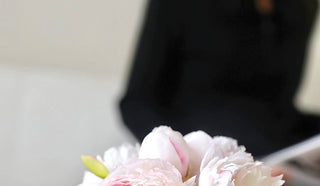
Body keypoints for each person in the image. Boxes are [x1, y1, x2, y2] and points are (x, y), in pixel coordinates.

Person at [119, 0, 320, 157]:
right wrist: (182, 160)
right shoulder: (178, 5)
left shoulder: (302, 7)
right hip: (209, 166)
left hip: (279, 159)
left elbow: (281, 111)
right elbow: (136, 104)